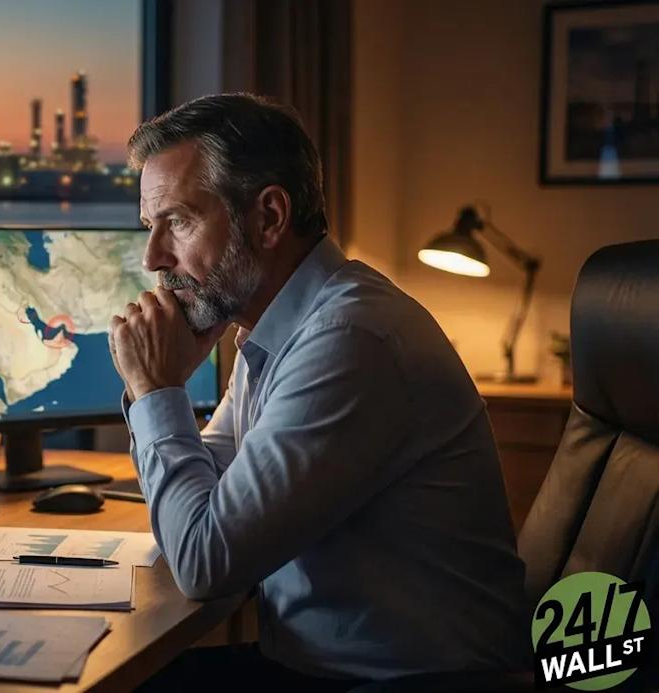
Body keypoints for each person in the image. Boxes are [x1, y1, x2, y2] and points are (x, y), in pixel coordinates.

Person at [108, 93, 529, 688]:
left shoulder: (349, 340)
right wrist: (160, 394)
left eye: (177, 221)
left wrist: (156, 389)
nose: (153, 259)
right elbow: (205, 504)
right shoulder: (274, 328)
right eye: (152, 227)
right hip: (325, 668)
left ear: (270, 217)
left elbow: (204, 561)